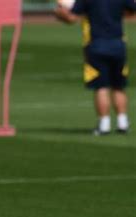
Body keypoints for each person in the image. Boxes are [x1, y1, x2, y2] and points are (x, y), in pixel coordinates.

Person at [55, 0, 136, 135]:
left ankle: (104, 124)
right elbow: (132, 10)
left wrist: (60, 14)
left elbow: (72, 18)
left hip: (96, 45)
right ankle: (122, 122)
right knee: (118, 86)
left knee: (101, 87)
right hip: (118, 45)